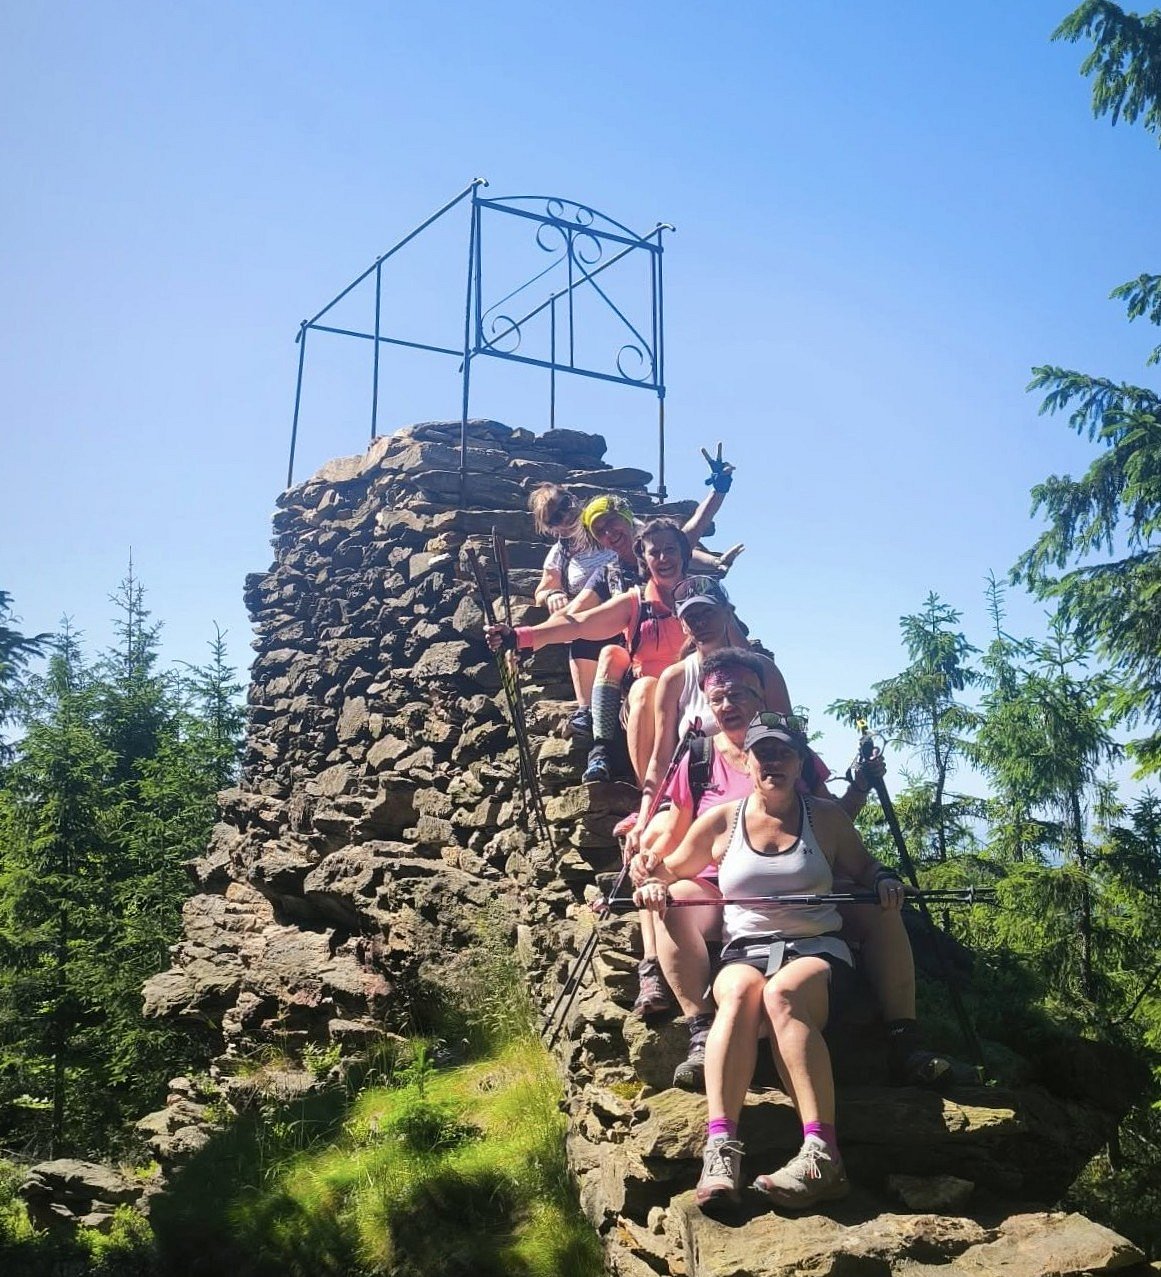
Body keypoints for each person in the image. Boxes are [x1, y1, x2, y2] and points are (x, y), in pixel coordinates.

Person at [634, 712, 906, 1212]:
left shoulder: (827, 818)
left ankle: (823, 1155)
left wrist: (884, 878)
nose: (773, 761)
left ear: (800, 762)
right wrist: (651, 881)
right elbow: (670, 871)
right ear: (749, 761)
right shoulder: (722, 821)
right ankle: (721, 1149)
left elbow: (865, 866)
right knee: (737, 993)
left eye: (784, 752)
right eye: (764, 752)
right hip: (746, 951)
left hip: (817, 948)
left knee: (783, 994)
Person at [629, 651, 905, 1091]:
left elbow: (833, 822)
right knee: (675, 901)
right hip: (718, 884)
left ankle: (906, 1039)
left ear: (761, 697)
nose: (727, 705)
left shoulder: (797, 756)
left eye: (738, 694)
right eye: (717, 698)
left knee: (882, 911)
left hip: (803, 880)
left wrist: (860, 787)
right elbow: (680, 834)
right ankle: (700, 1030)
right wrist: (650, 864)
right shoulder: (698, 757)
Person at [485, 518, 693, 785]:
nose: (663, 558)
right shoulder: (635, 602)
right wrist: (519, 637)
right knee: (640, 684)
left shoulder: (707, 598)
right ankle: (650, 794)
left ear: (684, 553)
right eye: (655, 552)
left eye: (671, 549)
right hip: (648, 701)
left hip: (694, 696)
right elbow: (580, 624)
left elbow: (736, 647)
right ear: (644, 558)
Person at [527, 484, 618, 738]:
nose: (565, 516)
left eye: (565, 505)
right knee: (583, 634)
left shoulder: (610, 529)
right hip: (592, 625)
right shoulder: (560, 554)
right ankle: (586, 711)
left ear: (573, 498)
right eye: (555, 518)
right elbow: (542, 590)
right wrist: (552, 594)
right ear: (549, 528)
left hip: (630, 613)